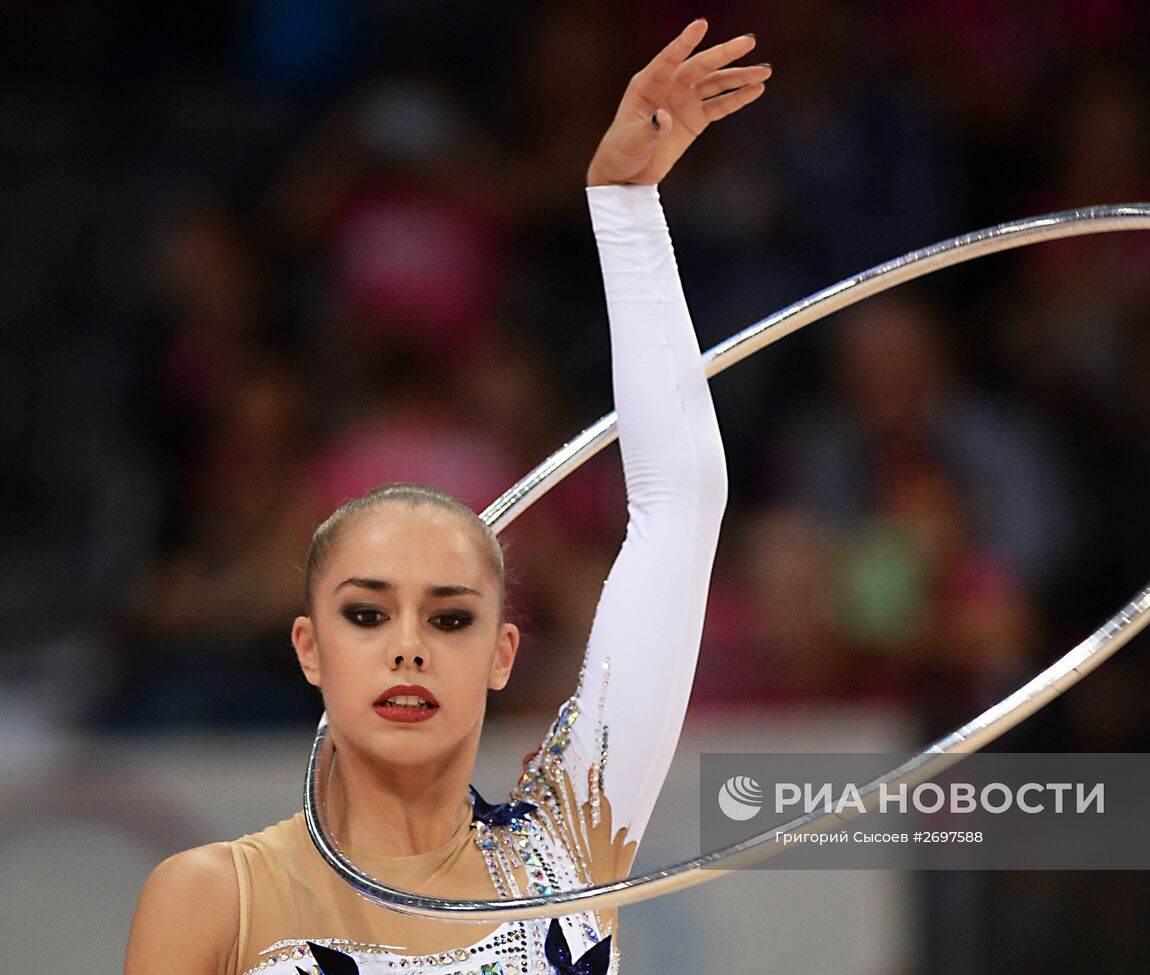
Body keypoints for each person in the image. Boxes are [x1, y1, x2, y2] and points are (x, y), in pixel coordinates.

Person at [124, 19, 769, 974]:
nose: (409, 644)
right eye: (365, 611)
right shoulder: (216, 894)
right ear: (309, 646)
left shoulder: (570, 847)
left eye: (453, 616)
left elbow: (681, 507)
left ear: (505, 652)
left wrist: (625, 205)